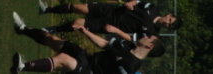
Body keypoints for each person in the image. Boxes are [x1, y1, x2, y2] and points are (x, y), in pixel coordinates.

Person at [10, 11, 163, 73]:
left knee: (63, 59)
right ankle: (23, 29)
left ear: (149, 46)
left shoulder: (131, 66)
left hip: (90, 71)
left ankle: (22, 66)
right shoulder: (128, 45)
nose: (146, 36)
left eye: (149, 38)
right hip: (88, 58)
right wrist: (85, 31)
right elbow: (104, 44)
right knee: (54, 41)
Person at [38, 0, 181, 39]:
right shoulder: (152, 8)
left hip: (110, 24)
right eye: (170, 21)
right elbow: (138, 1)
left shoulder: (152, 33)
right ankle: (47, 9)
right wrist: (130, 3)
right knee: (78, 7)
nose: (167, 24)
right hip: (112, 10)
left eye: (170, 26)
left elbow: (131, 39)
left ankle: (52, 30)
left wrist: (116, 31)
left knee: (77, 23)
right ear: (169, 15)